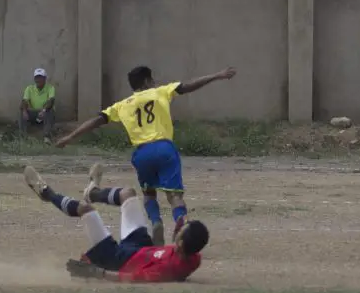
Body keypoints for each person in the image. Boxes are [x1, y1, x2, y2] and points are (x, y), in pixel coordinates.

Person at [54, 65, 236, 245]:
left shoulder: (122, 105)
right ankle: (180, 222)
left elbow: (95, 121)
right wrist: (217, 75)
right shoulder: (160, 92)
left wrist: (70, 137)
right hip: (164, 149)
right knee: (175, 196)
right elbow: (188, 86)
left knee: (149, 194)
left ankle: (156, 222)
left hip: (142, 154)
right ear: (148, 81)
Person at [23, 163, 209, 283]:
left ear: (181, 243)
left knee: (86, 210)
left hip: (118, 259)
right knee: (128, 193)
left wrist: (97, 273)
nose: (179, 228)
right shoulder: (193, 256)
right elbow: (184, 256)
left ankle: (47, 194)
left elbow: (132, 278)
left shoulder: (167, 270)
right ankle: (93, 192)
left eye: (181, 230)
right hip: (141, 247)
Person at [20, 68, 56, 143]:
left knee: (50, 111)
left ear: (45, 78)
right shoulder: (29, 88)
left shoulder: (50, 88)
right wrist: (24, 111)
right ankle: (23, 137)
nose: (38, 80)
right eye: (36, 78)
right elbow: (24, 101)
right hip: (34, 113)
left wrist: (43, 110)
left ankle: (46, 137)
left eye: (40, 78)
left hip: (44, 112)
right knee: (22, 111)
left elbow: (51, 101)